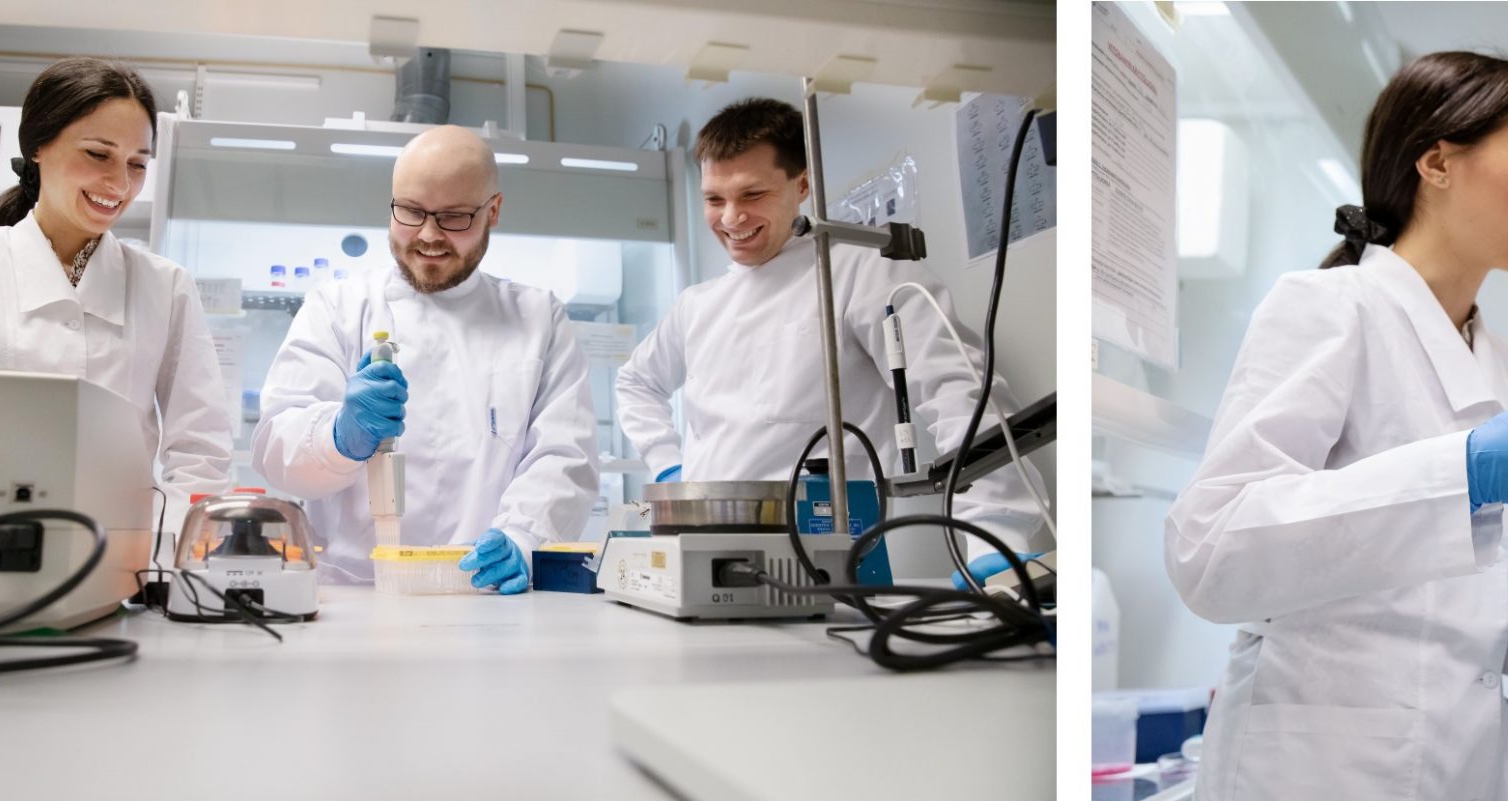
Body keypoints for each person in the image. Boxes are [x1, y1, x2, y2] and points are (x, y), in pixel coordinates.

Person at [1164, 51, 1508, 801]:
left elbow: (1436, 598)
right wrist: (1465, 471)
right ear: (1437, 163)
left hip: (1463, 767)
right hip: (1317, 773)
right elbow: (1211, 551)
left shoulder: (1505, 368)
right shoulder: (1329, 308)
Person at [615, 100, 1034, 549]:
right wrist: (667, 466)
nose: (731, 218)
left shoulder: (862, 274)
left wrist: (997, 534)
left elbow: (958, 396)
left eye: (752, 195)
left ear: (802, 184)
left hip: (825, 550)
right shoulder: (696, 305)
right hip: (699, 539)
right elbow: (635, 383)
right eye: (714, 199)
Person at [0, 59, 230, 514]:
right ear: (39, 145)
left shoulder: (166, 287)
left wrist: (163, 549)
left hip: (117, 551)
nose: (120, 183)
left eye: (137, 164)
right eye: (98, 154)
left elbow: (201, 451)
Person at [256, 126, 596, 588]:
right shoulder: (337, 306)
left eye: (454, 217)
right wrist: (338, 435)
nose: (429, 236)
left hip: (486, 595)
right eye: (411, 212)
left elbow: (565, 455)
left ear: (493, 211)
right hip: (354, 596)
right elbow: (276, 445)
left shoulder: (539, 318)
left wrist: (523, 534)